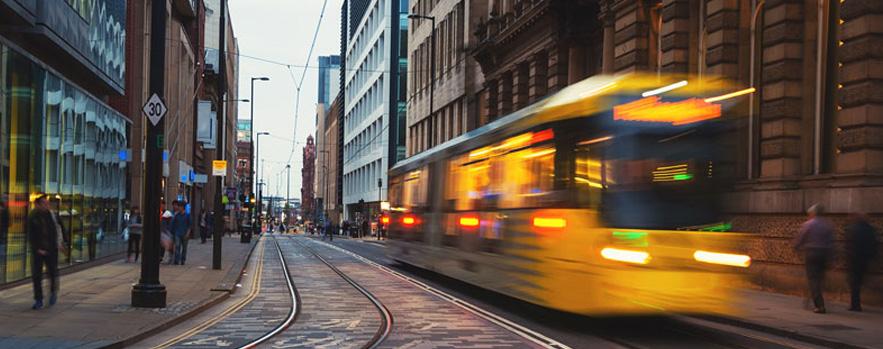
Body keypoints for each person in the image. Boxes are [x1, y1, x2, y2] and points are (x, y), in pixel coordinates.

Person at [793, 204, 835, 314]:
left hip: (812, 254)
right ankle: (817, 298)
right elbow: (831, 243)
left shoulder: (809, 224)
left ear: (813, 213)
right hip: (824, 254)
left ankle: (819, 305)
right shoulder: (828, 225)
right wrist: (831, 257)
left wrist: (796, 247)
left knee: (813, 279)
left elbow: (801, 238)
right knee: (820, 279)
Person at [28, 194, 63, 309]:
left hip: (51, 249)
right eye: (43, 203)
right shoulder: (33, 216)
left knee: (53, 272)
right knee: (37, 276)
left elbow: (58, 229)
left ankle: (53, 292)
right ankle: (38, 299)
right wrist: (38, 248)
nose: (46, 205)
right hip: (38, 251)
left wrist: (59, 243)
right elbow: (31, 235)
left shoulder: (51, 215)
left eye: (46, 203)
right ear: (37, 205)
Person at [845, 213, 878, 311]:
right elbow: (874, 244)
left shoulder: (853, 228)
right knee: (858, 281)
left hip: (854, 259)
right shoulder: (870, 229)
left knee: (854, 282)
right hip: (865, 259)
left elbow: (850, 245)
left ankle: (855, 305)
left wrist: (848, 257)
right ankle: (856, 304)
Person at [171, 201, 191, 265]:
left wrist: (188, 233)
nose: (178, 208)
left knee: (184, 248)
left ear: (183, 207)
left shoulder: (187, 216)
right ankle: (176, 260)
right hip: (177, 233)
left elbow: (189, 225)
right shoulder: (177, 215)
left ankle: (183, 260)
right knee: (177, 246)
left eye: (180, 206)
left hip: (185, 233)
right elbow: (173, 224)